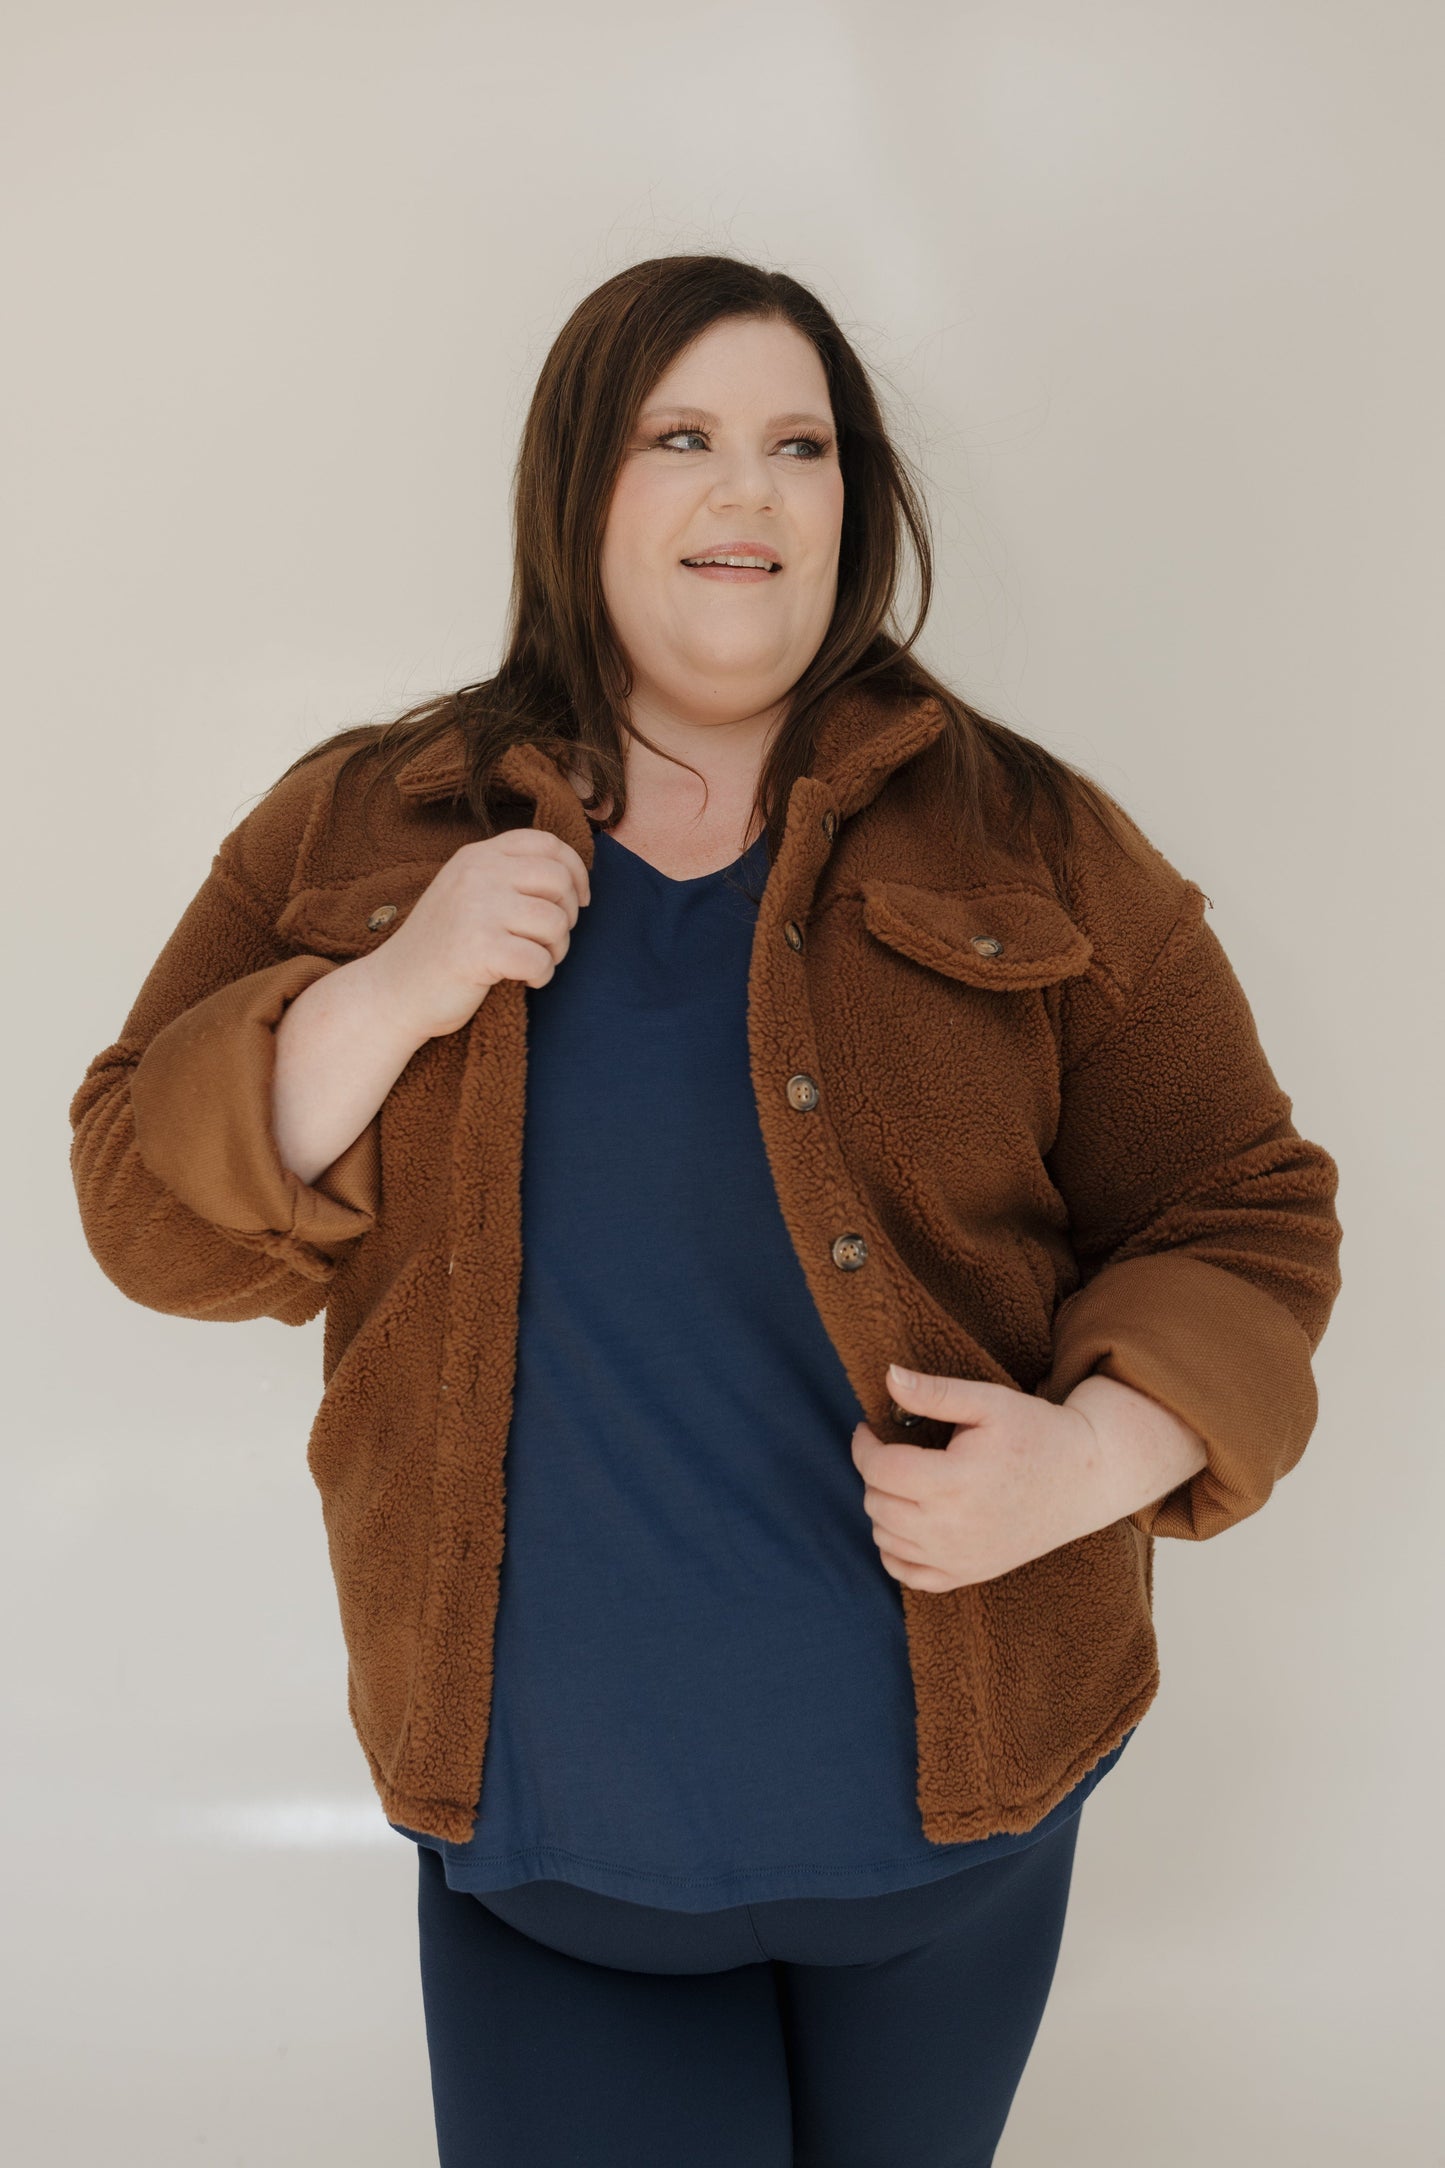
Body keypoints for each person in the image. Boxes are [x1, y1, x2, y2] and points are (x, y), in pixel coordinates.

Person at [69, 255, 1343, 2167]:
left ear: (855, 502)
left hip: (953, 1835)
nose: (745, 492)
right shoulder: (363, 824)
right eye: (682, 437)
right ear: (580, 488)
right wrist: (380, 996)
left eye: (796, 446)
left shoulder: (1038, 834)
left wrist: (1090, 1458)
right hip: (549, 1854)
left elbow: (1244, 1208)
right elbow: (136, 1211)